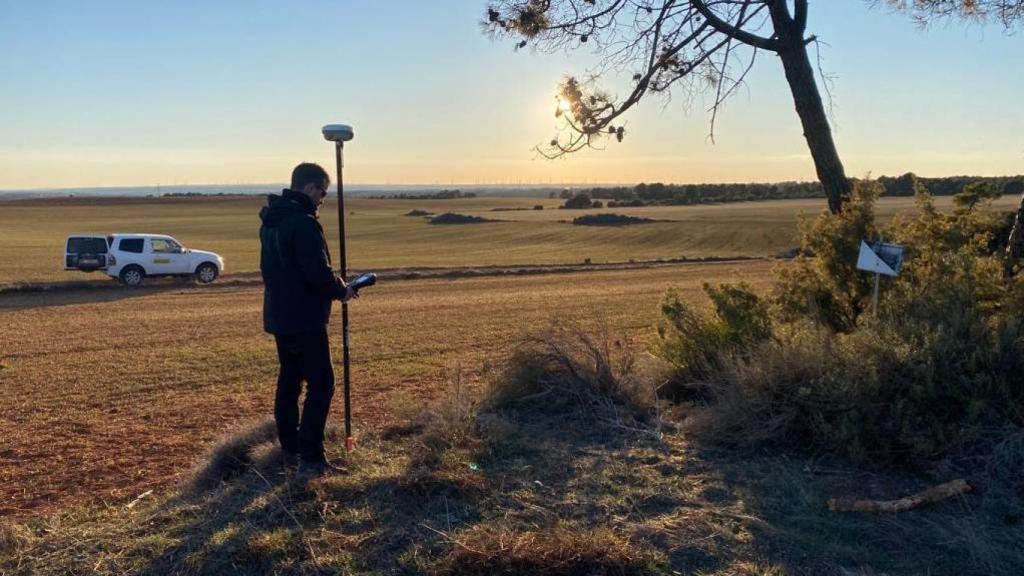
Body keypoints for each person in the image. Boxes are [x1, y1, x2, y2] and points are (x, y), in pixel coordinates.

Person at [259, 162, 355, 479]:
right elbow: (317, 272)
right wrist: (341, 291)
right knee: (322, 383)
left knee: (289, 381)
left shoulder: (272, 220)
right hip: (305, 318)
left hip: (280, 315)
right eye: (323, 193)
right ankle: (311, 460)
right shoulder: (303, 223)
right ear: (311, 187)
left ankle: (291, 452)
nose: (323, 200)